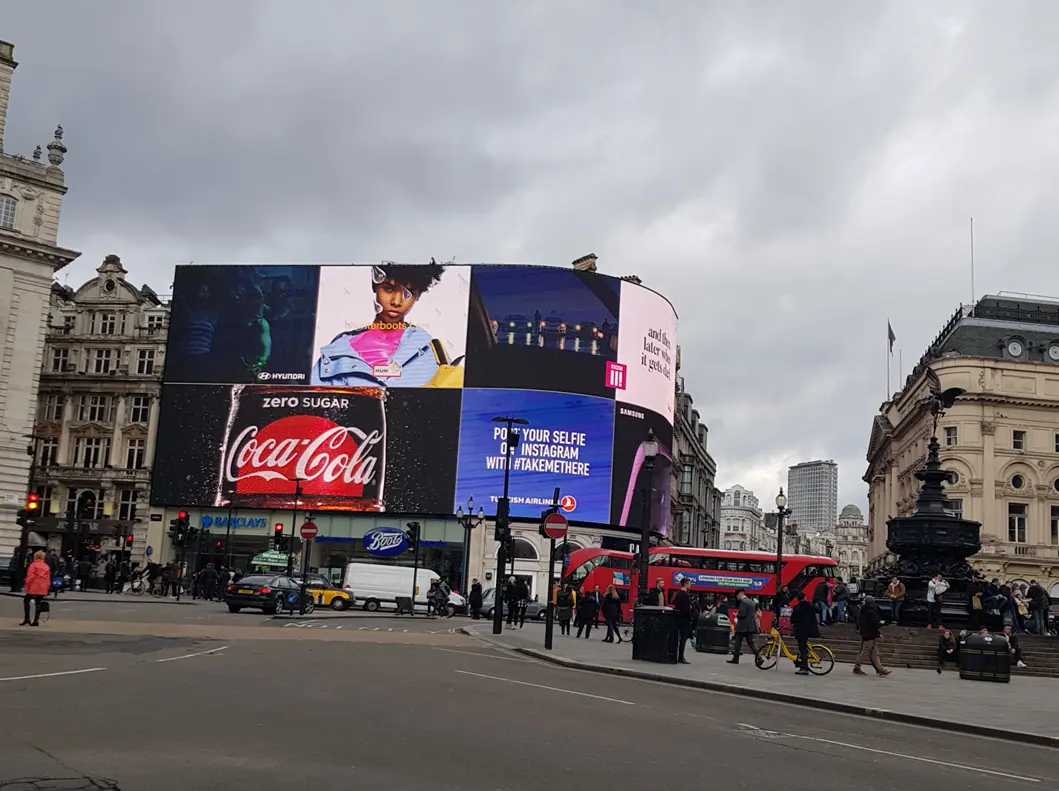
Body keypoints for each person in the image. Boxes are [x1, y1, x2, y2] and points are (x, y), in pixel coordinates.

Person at [311, 261, 453, 389]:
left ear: (418, 295)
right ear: (375, 285)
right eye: (389, 288)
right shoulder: (336, 354)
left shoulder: (434, 353)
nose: (396, 302)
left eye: (408, 293)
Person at [853, 595, 891, 676]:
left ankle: (880, 669)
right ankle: (857, 667)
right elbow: (874, 624)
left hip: (866, 634)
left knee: (874, 653)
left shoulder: (862, 610)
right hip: (870, 635)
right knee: (865, 652)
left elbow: (859, 622)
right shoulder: (870, 612)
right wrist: (881, 625)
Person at [727, 589, 762, 666]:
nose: (737, 598)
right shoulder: (752, 602)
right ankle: (759, 657)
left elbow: (743, 614)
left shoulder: (743, 602)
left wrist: (737, 615)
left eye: (737, 596)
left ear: (740, 594)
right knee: (751, 643)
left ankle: (735, 659)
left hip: (742, 626)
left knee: (737, 643)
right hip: (750, 626)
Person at [789, 591, 818, 675]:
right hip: (811, 629)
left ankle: (804, 667)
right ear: (805, 597)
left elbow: (792, 620)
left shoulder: (797, 607)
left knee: (802, 649)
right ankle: (801, 663)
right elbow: (818, 610)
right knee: (804, 647)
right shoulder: (810, 605)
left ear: (797, 599)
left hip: (801, 630)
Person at [21, 550, 51, 626]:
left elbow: (30, 576)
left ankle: (27, 618)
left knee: (26, 600)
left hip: (34, 585)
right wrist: (47, 588)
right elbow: (48, 579)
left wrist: (26, 586)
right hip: (42, 586)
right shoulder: (46, 566)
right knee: (38, 603)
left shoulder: (33, 565)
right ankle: (36, 620)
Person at [672, 577, 693, 664]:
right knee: (683, 639)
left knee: (677, 638)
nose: (690, 585)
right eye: (689, 584)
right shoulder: (686, 595)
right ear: (685, 584)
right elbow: (687, 609)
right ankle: (681, 657)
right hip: (684, 619)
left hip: (678, 618)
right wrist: (690, 619)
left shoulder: (678, 593)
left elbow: (674, 603)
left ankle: (674, 655)